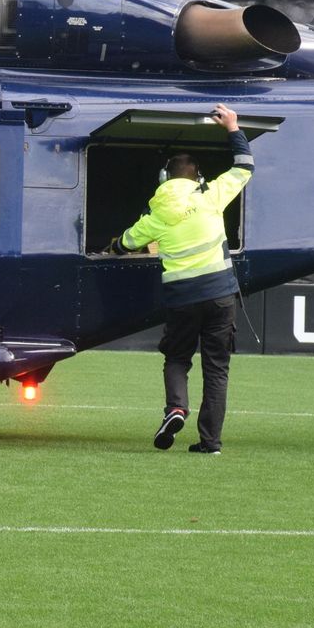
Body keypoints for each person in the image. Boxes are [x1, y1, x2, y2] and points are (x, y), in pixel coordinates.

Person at [111, 103, 254, 454]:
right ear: (197, 176)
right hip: (221, 296)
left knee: (177, 359)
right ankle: (210, 443)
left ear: (165, 179)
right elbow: (245, 166)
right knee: (216, 369)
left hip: (182, 300)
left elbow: (127, 242)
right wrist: (233, 128)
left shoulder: (157, 212)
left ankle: (176, 408)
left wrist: (114, 244)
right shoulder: (211, 196)